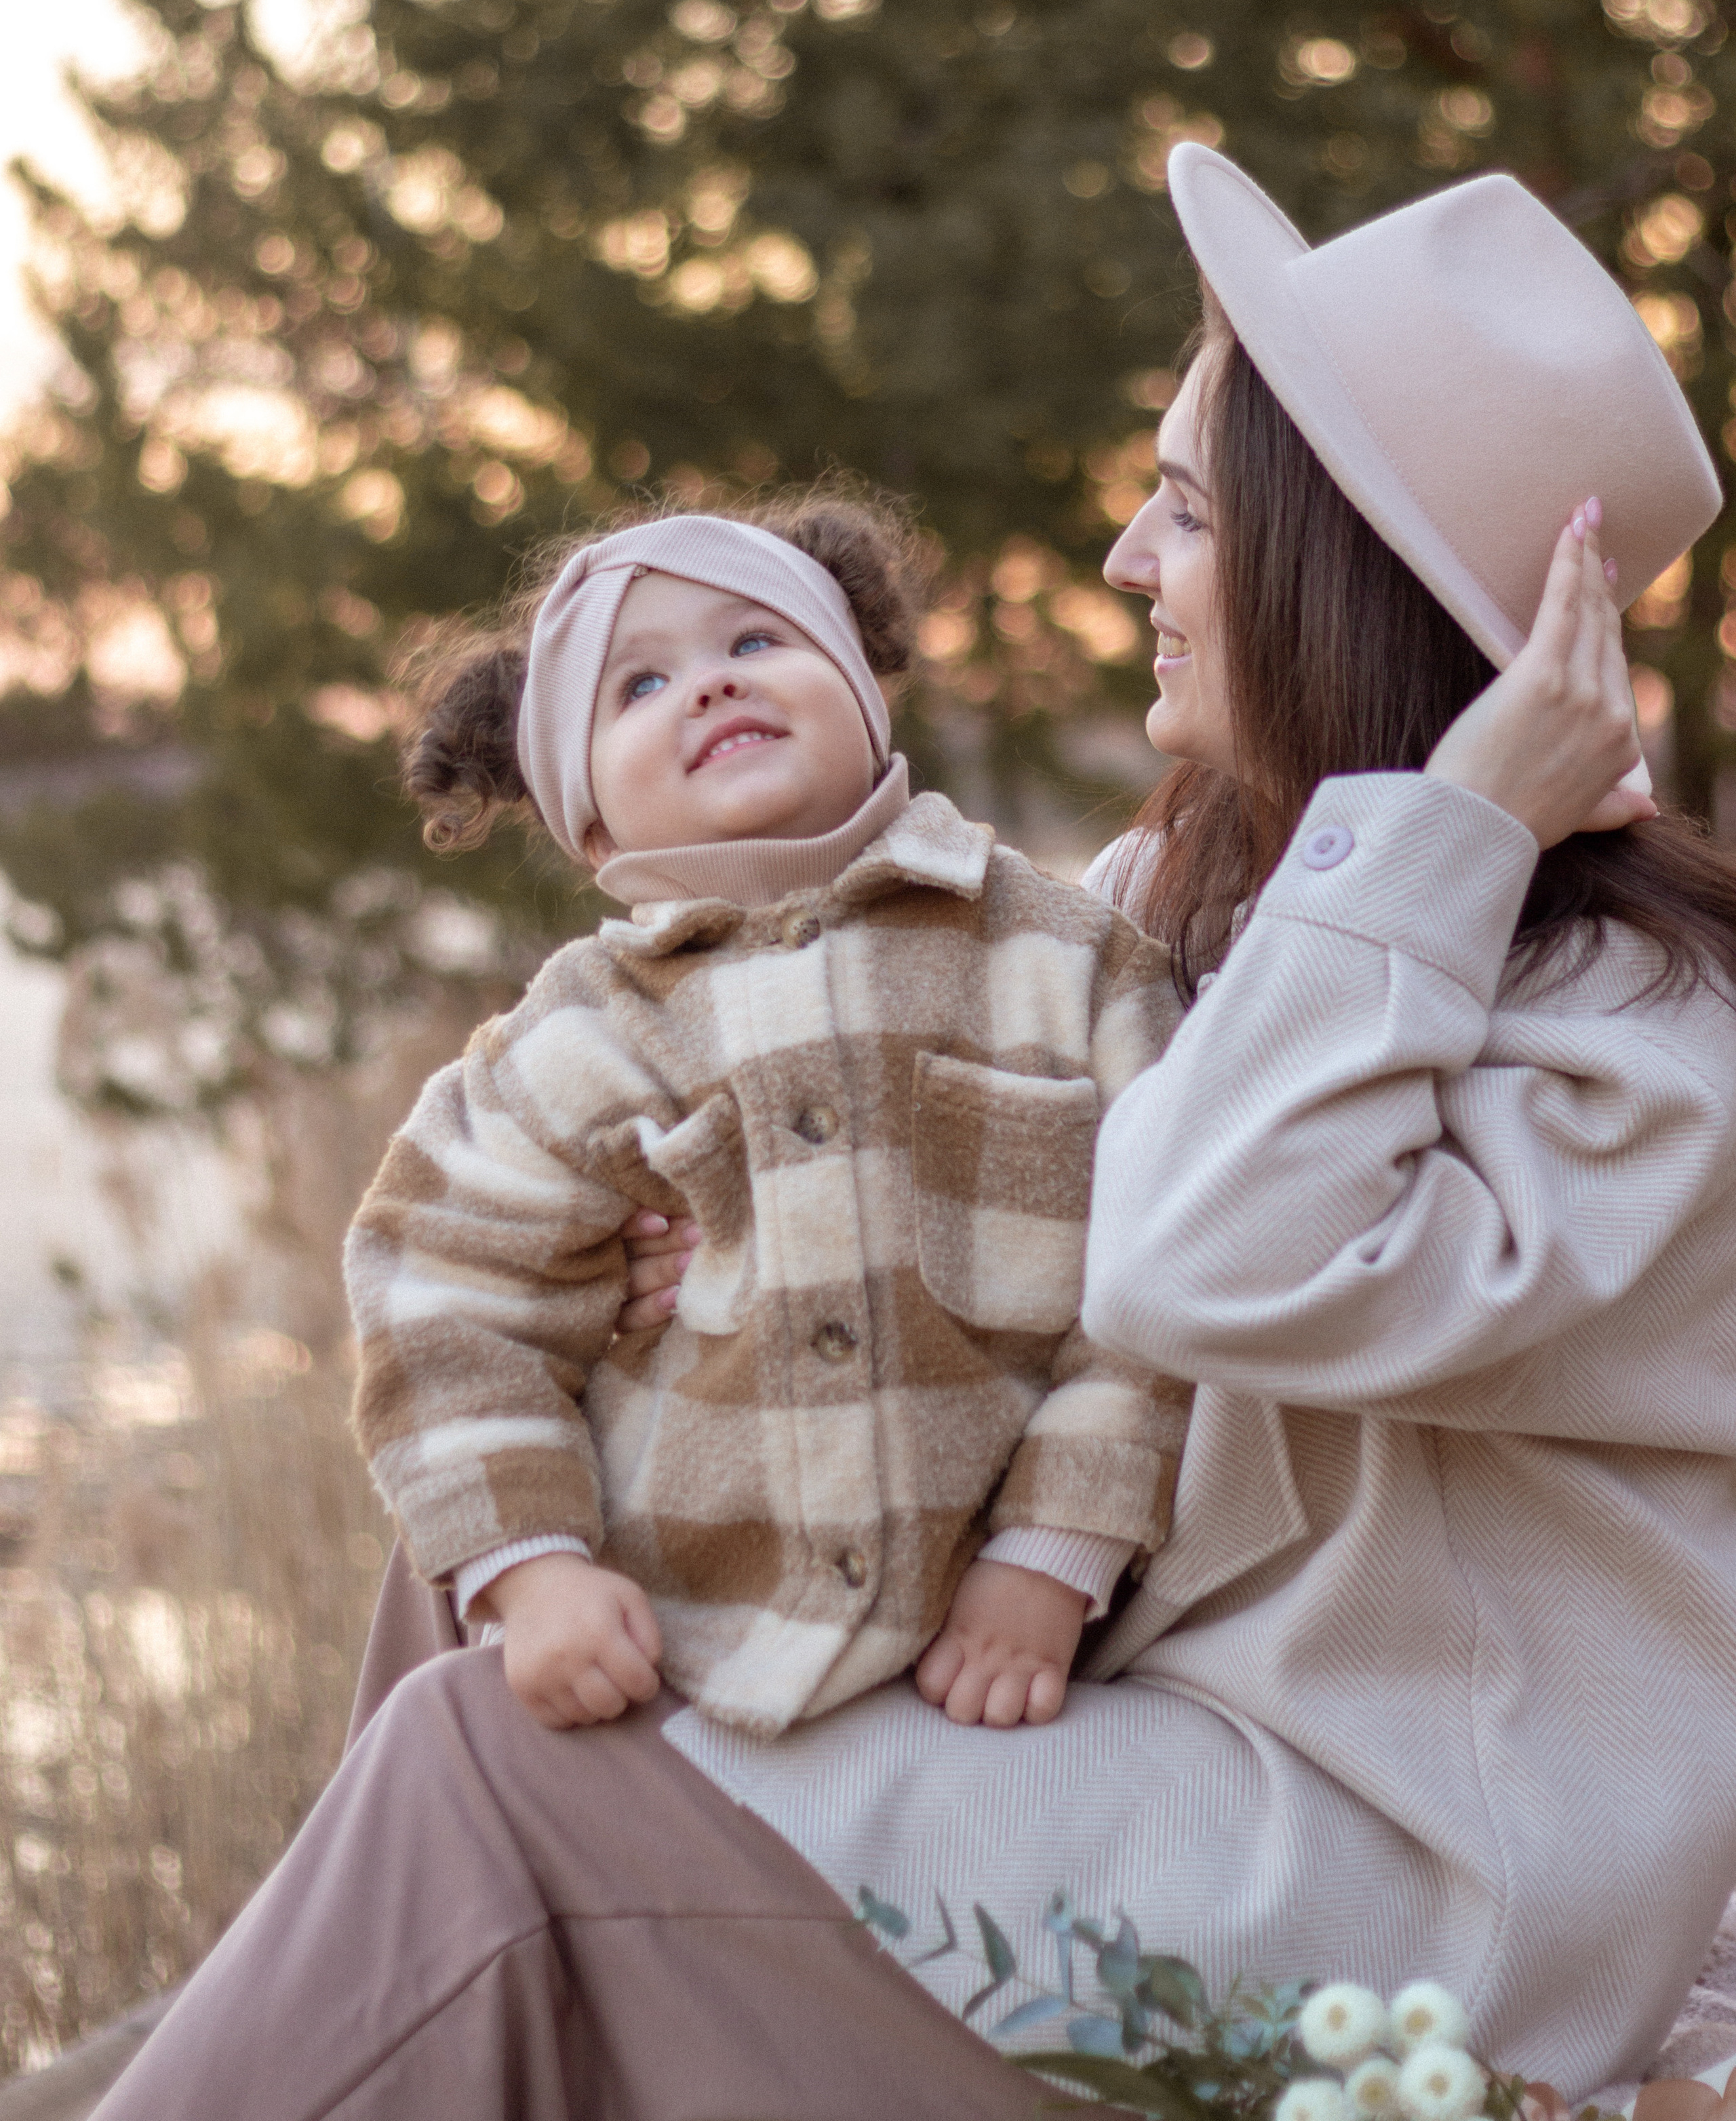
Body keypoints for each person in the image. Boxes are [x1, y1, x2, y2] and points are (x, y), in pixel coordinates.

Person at [93, 147, 1736, 2121]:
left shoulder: (1639, 1049)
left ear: (1337, 566)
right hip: (1117, 1737)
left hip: (1373, 1892)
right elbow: (955, 1093)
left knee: (487, 1770)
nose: (1130, 557)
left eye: (1190, 509)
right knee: (510, 1570)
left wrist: (1459, 825)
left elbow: (1193, 1256)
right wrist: (743, 1248)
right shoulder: (1203, 907)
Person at [345, 494, 1187, 1741]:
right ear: (584, 814)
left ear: (861, 685)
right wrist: (534, 1572)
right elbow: (444, 1299)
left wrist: (1054, 1554)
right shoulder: (584, 1035)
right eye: (637, 687)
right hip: (676, 1654)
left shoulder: (1065, 964)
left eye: (753, 644)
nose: (707, 687)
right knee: (442, 1776)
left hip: (1001, 1642)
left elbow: (1159, 1280)